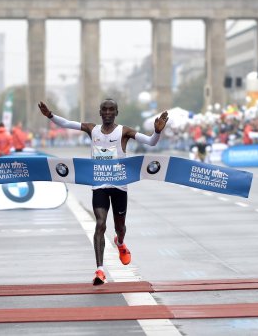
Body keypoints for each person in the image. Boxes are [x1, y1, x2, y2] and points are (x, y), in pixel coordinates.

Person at [39, 99, 168, 285]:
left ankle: (120, 243)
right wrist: (50, 115)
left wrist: (157, 131)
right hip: (99, 183)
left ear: (116, 112)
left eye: (111, 110)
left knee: (119, 227)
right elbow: (67, 123)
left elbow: (151, 142)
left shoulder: (124, 131)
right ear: (100, 112)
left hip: (119, 186)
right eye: (104, 110)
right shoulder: (93, 129)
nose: (108, 112)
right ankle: (99, 270)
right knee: (100, 223)